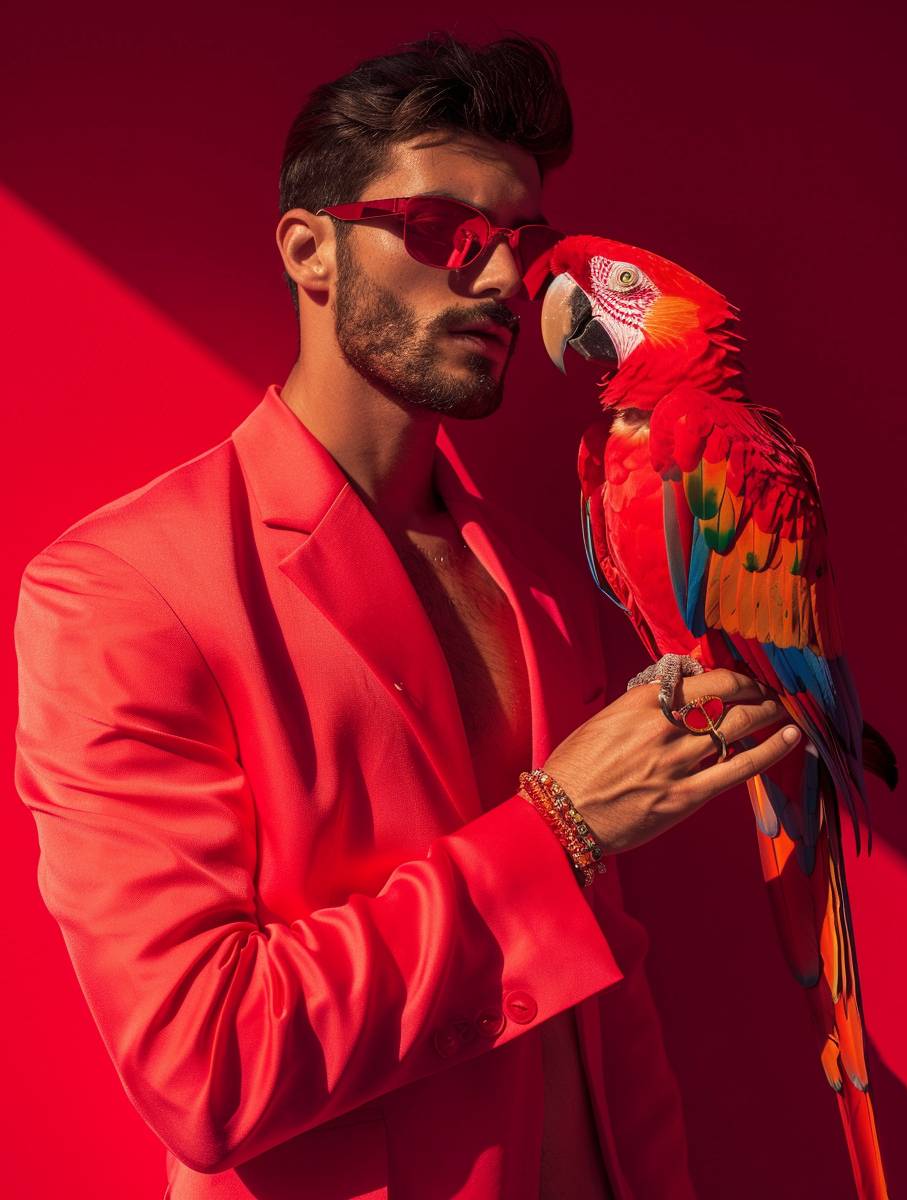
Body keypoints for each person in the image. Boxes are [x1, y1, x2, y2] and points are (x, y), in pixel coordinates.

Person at [13, 32, 801, 1200]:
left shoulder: (538, 578)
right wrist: (561, 827)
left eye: (520, 245)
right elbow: (203, 1065)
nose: (497, 282)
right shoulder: (124, 591)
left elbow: (611, 1011)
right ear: (309, 251)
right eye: (441, 234)